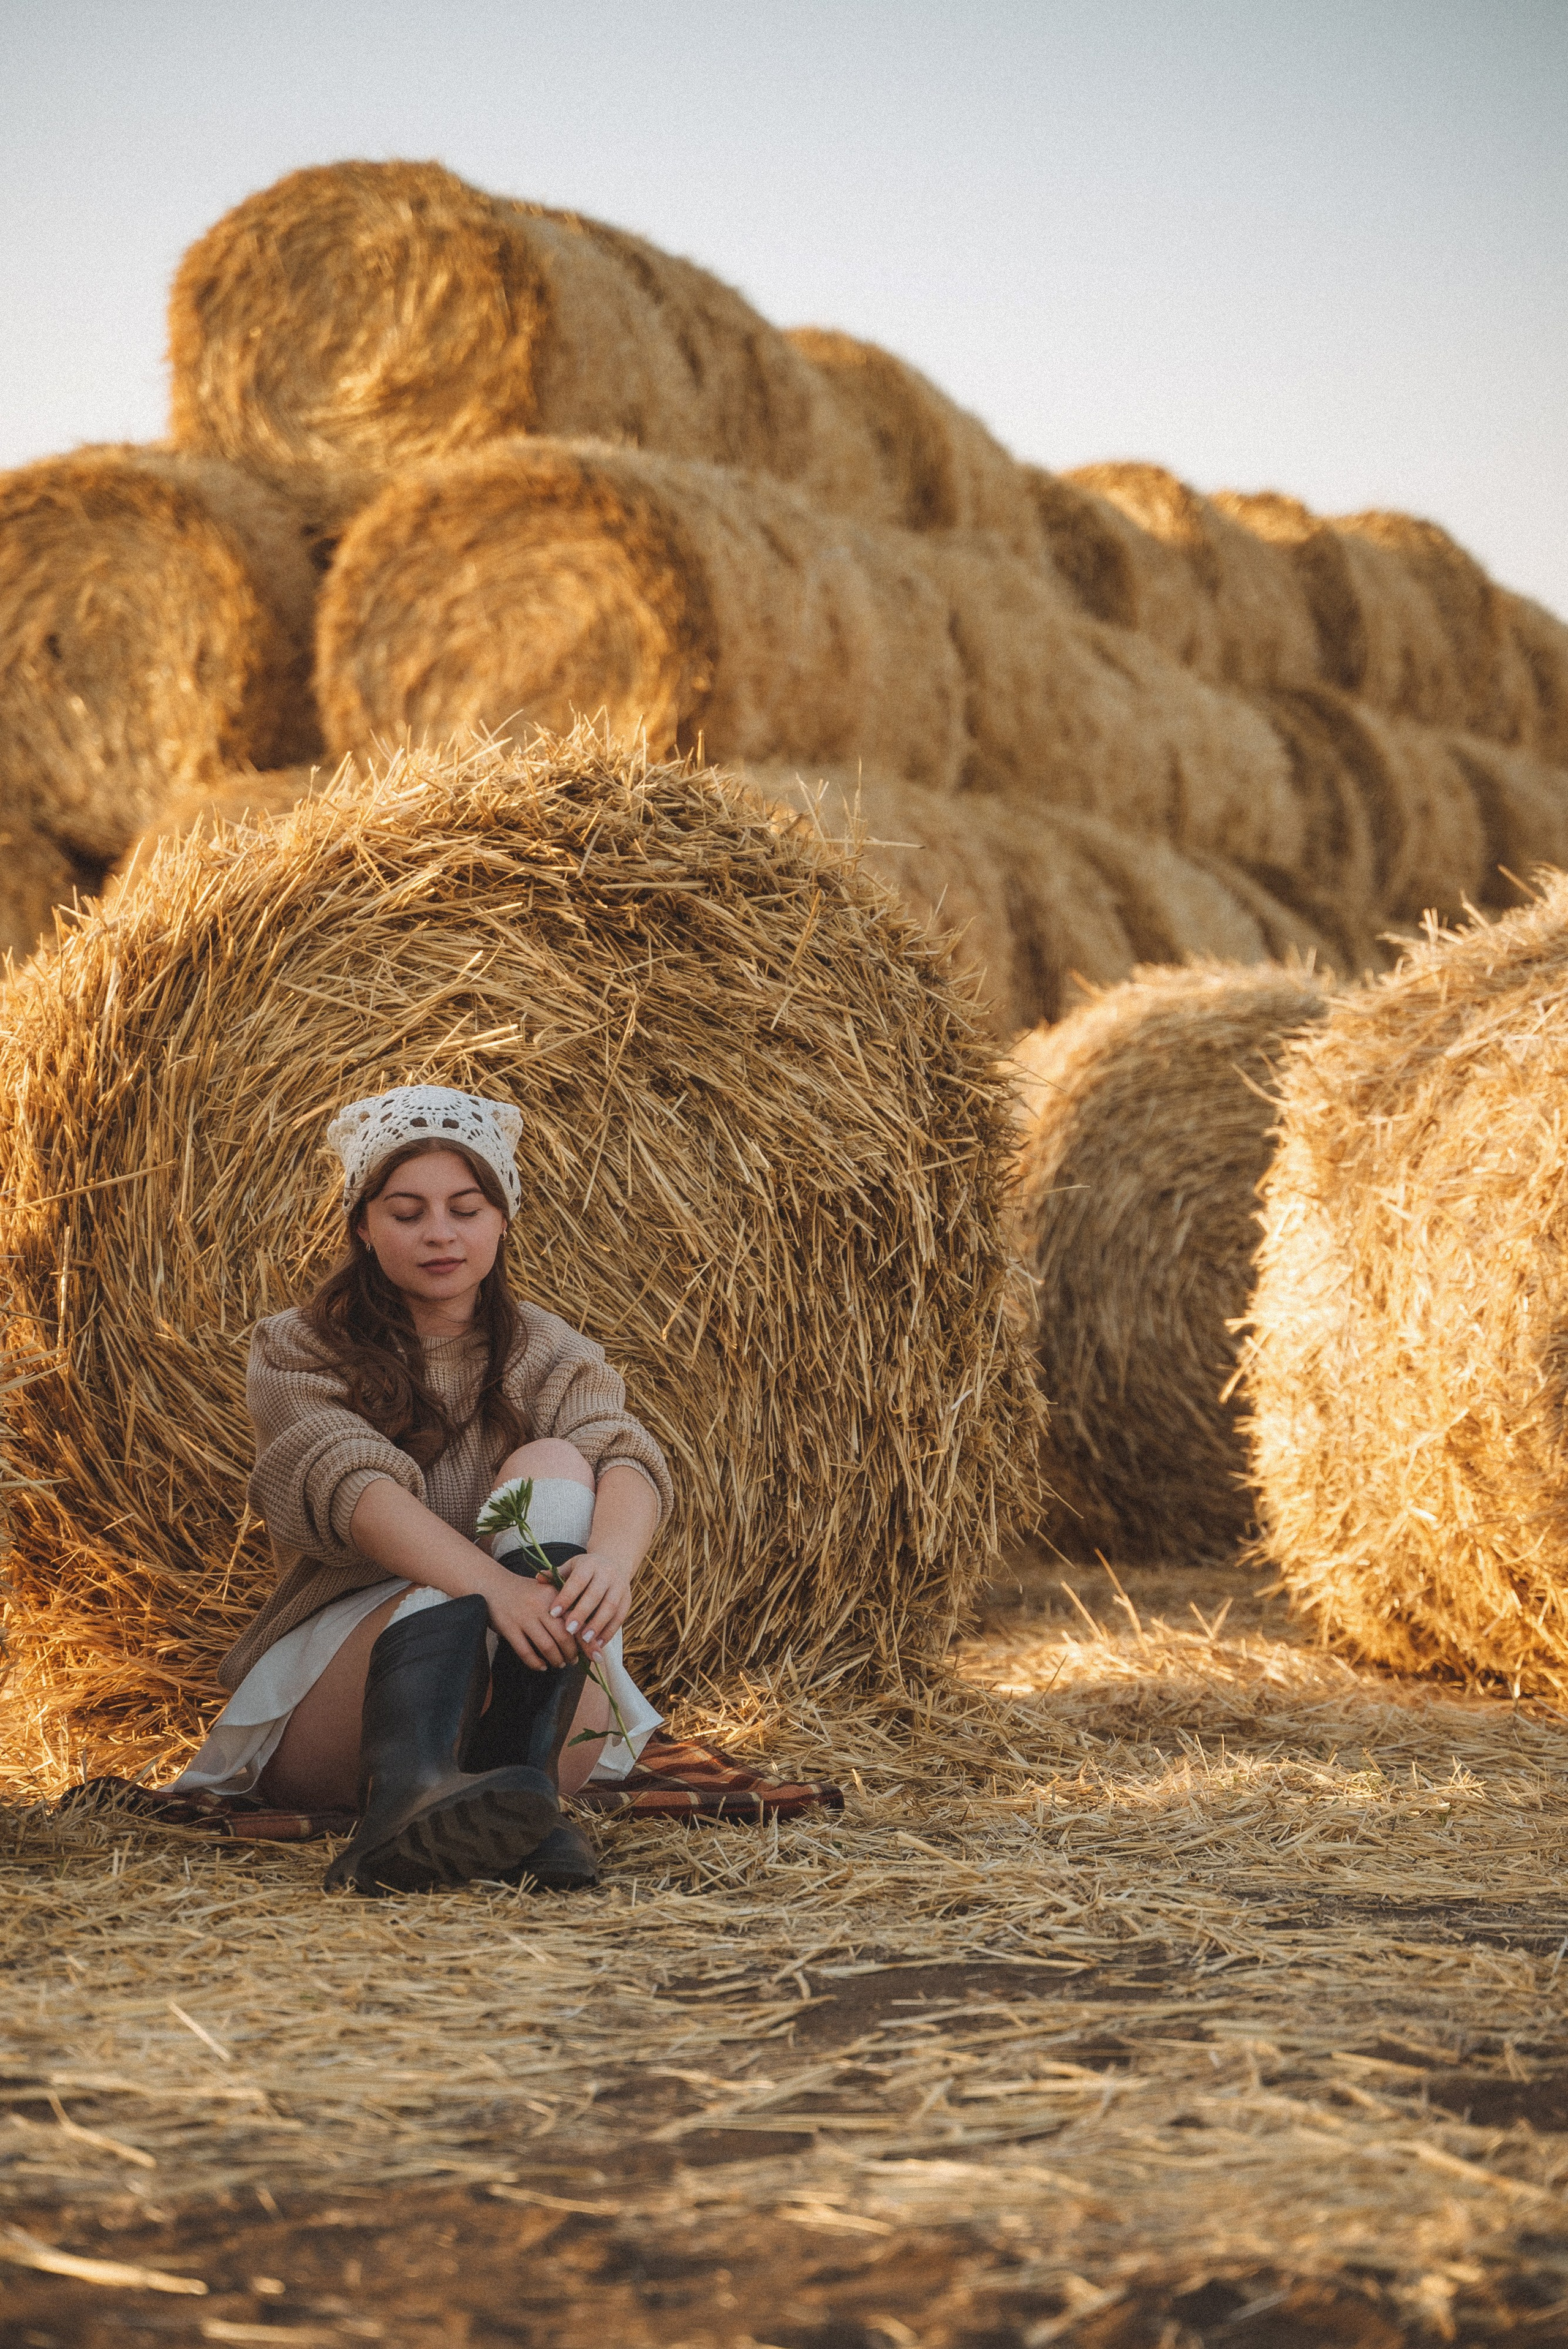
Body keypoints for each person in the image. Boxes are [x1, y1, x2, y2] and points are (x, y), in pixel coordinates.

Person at [165, 1085, 672, 1896]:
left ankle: (517, 1791)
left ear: (502, 1218)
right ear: (362, 1226)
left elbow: (626, 1456)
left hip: (525, 1669)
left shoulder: (547, 1348)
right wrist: (494, 1586)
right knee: (451, 1593)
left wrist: (609, 1563)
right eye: (407, 1212)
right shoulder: (296, 1350)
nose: (441, 1233)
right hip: (342, 1711)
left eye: (466, 1208)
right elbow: (354, 1486)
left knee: (558, 1461)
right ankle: (407, 1803)